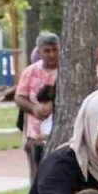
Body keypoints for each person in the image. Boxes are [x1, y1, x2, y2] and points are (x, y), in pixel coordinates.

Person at [16, 32, 59, 180]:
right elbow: (19, 97)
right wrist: (34, 108)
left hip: (59, 133)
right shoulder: (30, 71)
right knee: (36, 175)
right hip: (35, 136)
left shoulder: (66, 72)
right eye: (47, 51)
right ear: (39, 52)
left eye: (55, 50)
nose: (52, 54)